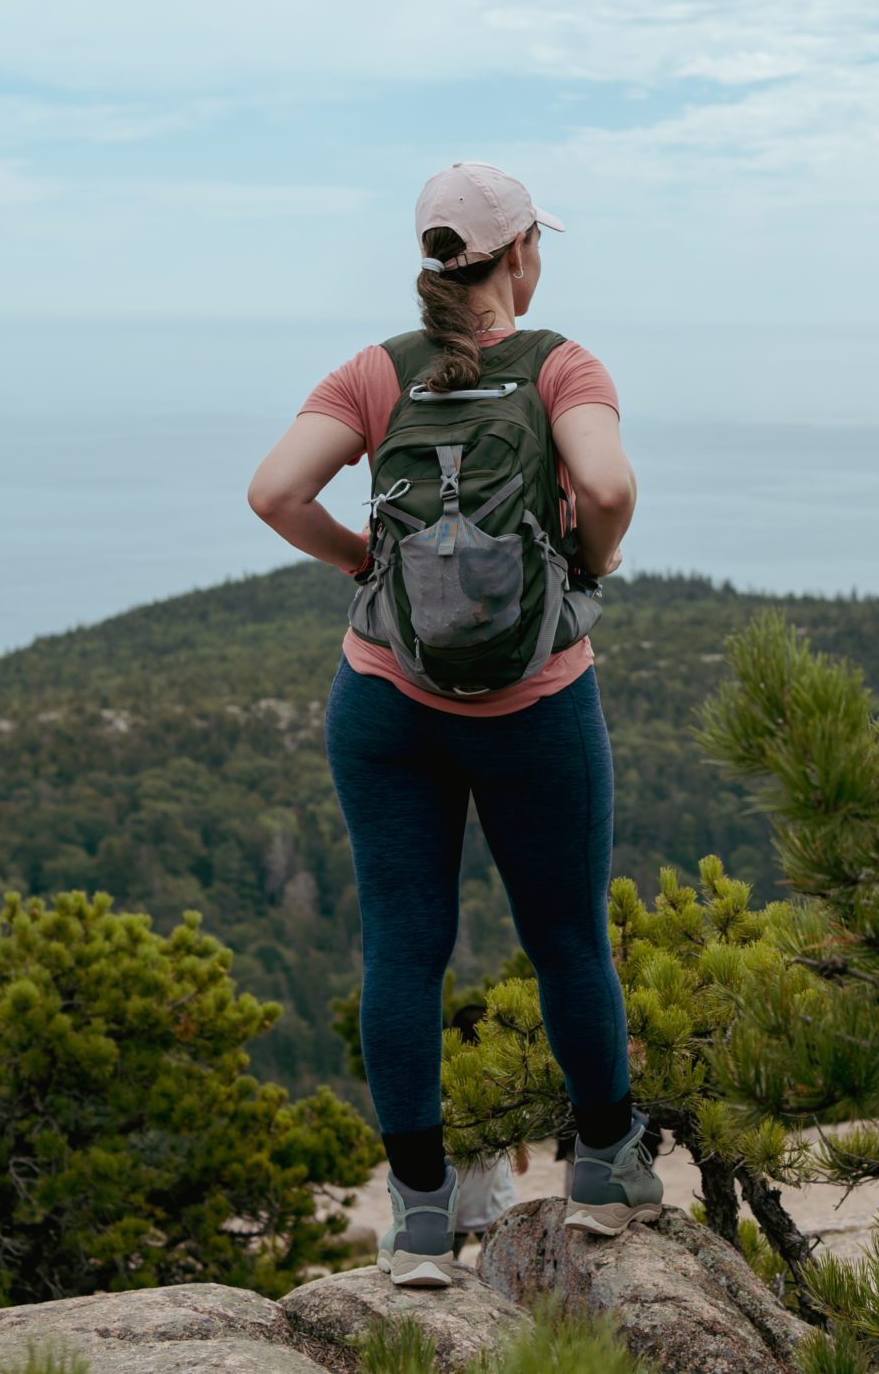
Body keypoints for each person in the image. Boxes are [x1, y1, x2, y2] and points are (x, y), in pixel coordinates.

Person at [248, 162, 661, 1289]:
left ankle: (420, 1223)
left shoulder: (375, 373)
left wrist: (364, 562)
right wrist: (590, 559)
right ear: (520, 254)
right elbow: (610, 488)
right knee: (567, 939)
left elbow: (274, 492)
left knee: (403, 950)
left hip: (387, 702)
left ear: (432, 258)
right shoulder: (560, 364)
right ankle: (603, 1173)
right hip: (534, 703)